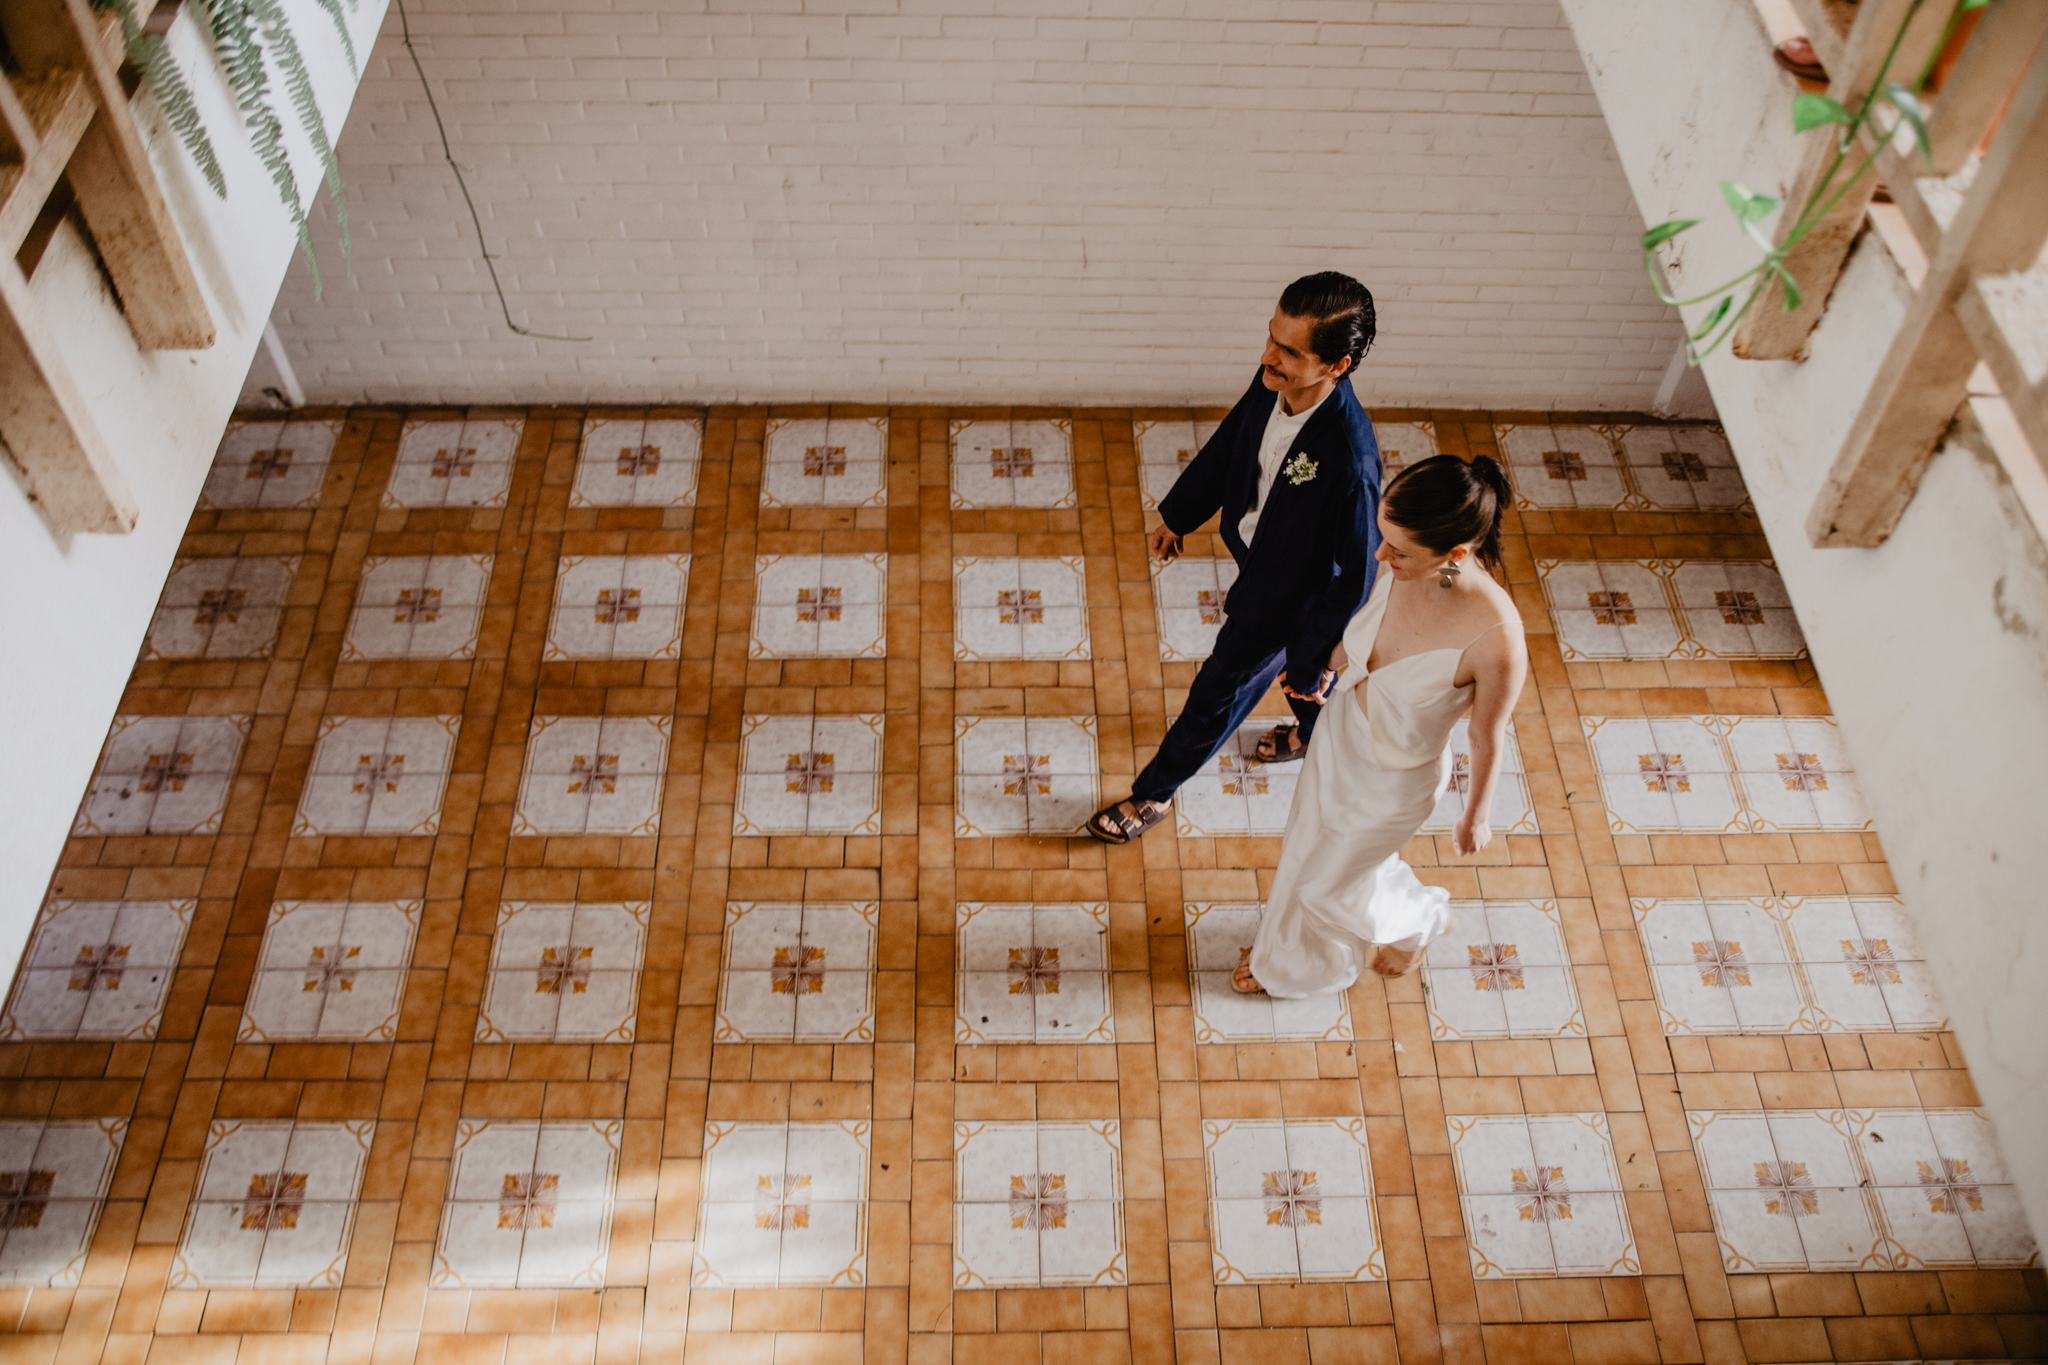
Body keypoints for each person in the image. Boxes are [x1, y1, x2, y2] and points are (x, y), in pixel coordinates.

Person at [1086, 272, 1382, 843]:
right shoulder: (1271, 380)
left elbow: (1358, 575)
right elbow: (1233, 443)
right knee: (1301, 686)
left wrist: (1321, 649)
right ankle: (1308, 733)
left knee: (1219, 693)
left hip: (1291, 603)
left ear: (1335, 366)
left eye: (1288, 351)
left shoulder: (1351, 458)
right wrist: (1179, 514)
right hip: (1264, 560)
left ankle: (1153, 794)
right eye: (1271, 337)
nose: (1266, 357)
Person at [1231, 454, 1527, 995]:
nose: (1379, 555)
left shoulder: (1497, 643)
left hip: (1393, 781)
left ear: (1456, 554)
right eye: (1384, 536)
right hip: (1339, 740)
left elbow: (1487, 735)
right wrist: (1326, 668)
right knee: (1306, 851)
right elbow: (1366, 633)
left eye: (1398, 549)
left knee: (1329, 881)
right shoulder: (1409, 567)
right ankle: (1286, 947)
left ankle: (1415, 920)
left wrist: (1475, 816)